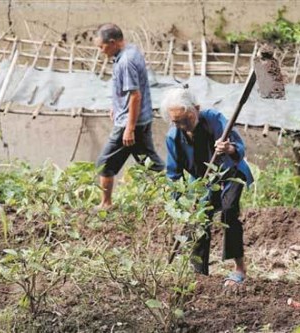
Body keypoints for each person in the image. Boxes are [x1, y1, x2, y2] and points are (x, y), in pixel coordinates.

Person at [161, 88, 253, 286]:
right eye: (176, 122)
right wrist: (181, 203)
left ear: (196, 109)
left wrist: (228, 148)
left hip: (230, 173)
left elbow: (238, 147)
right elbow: (173, 174)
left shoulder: (214, 119)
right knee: (198, 220)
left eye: (186, 119)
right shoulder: (173, 138)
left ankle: (239, 268)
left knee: (229, 212)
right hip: (203, 182)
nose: (183, 126)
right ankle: (199, 273)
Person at [94, 23, 164, 208]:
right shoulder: (131, 51)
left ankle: (105, 204)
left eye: (102, 47)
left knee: (105, 163)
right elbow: (127, 91)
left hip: (130, 122)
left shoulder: (126, 62)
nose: (101, 51)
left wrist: (129, 128)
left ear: (113, 42)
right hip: (138, 118)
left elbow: (135, 95)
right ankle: (178, 193)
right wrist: (116, 107)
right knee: (150, 163)